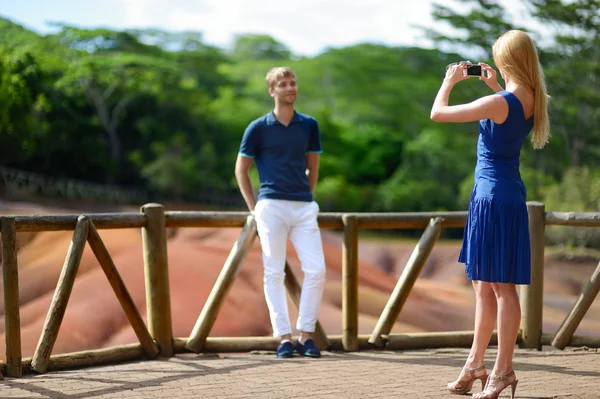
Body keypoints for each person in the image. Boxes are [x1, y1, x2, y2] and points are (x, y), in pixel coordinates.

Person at [430, 30, 550, 399]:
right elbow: (506, 117)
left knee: (500, 289)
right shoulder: (532, 98)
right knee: (485, 285)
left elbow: (438, 113)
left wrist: (448, 82)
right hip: (504, 192)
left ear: (507, 59)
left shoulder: (501, 101)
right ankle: (475, 365)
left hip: (492, 196)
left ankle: (503, 371)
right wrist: (495, 85)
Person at [235, 66, 326, 359]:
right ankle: (284, 338)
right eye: (283, 84)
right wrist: (254, 207)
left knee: (317, 270)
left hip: (302, 206)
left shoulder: (309, 125)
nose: (290, 88)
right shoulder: (257, 128)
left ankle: (306, 336)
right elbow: (242, 169)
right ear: (272, 91)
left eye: (293, 83)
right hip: (271, 205)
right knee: (273, 271)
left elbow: (313, 165)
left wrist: (308, 196)